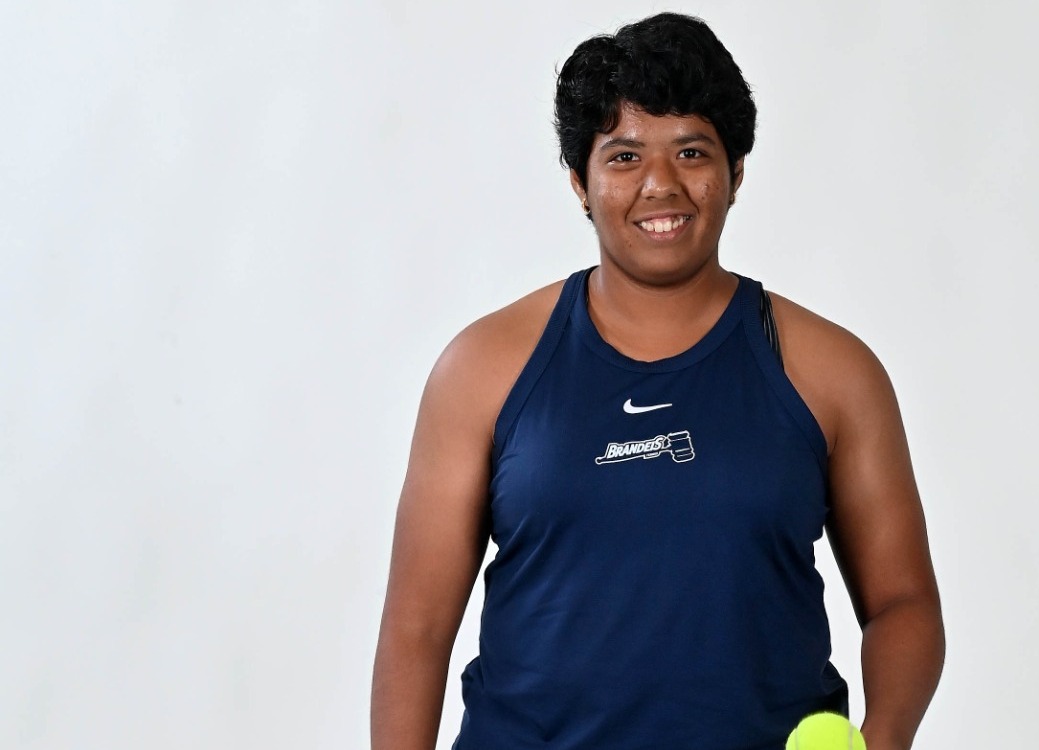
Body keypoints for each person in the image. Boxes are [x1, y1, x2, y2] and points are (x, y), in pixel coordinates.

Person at [371, 12, 944, 750]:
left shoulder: (832, 371)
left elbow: (902, 604)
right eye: (623, 157)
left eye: (692, 151)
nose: (660, 185)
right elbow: (415, 630)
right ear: (579, 181)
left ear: (735, 173)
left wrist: (885, 738)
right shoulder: (482, 368)